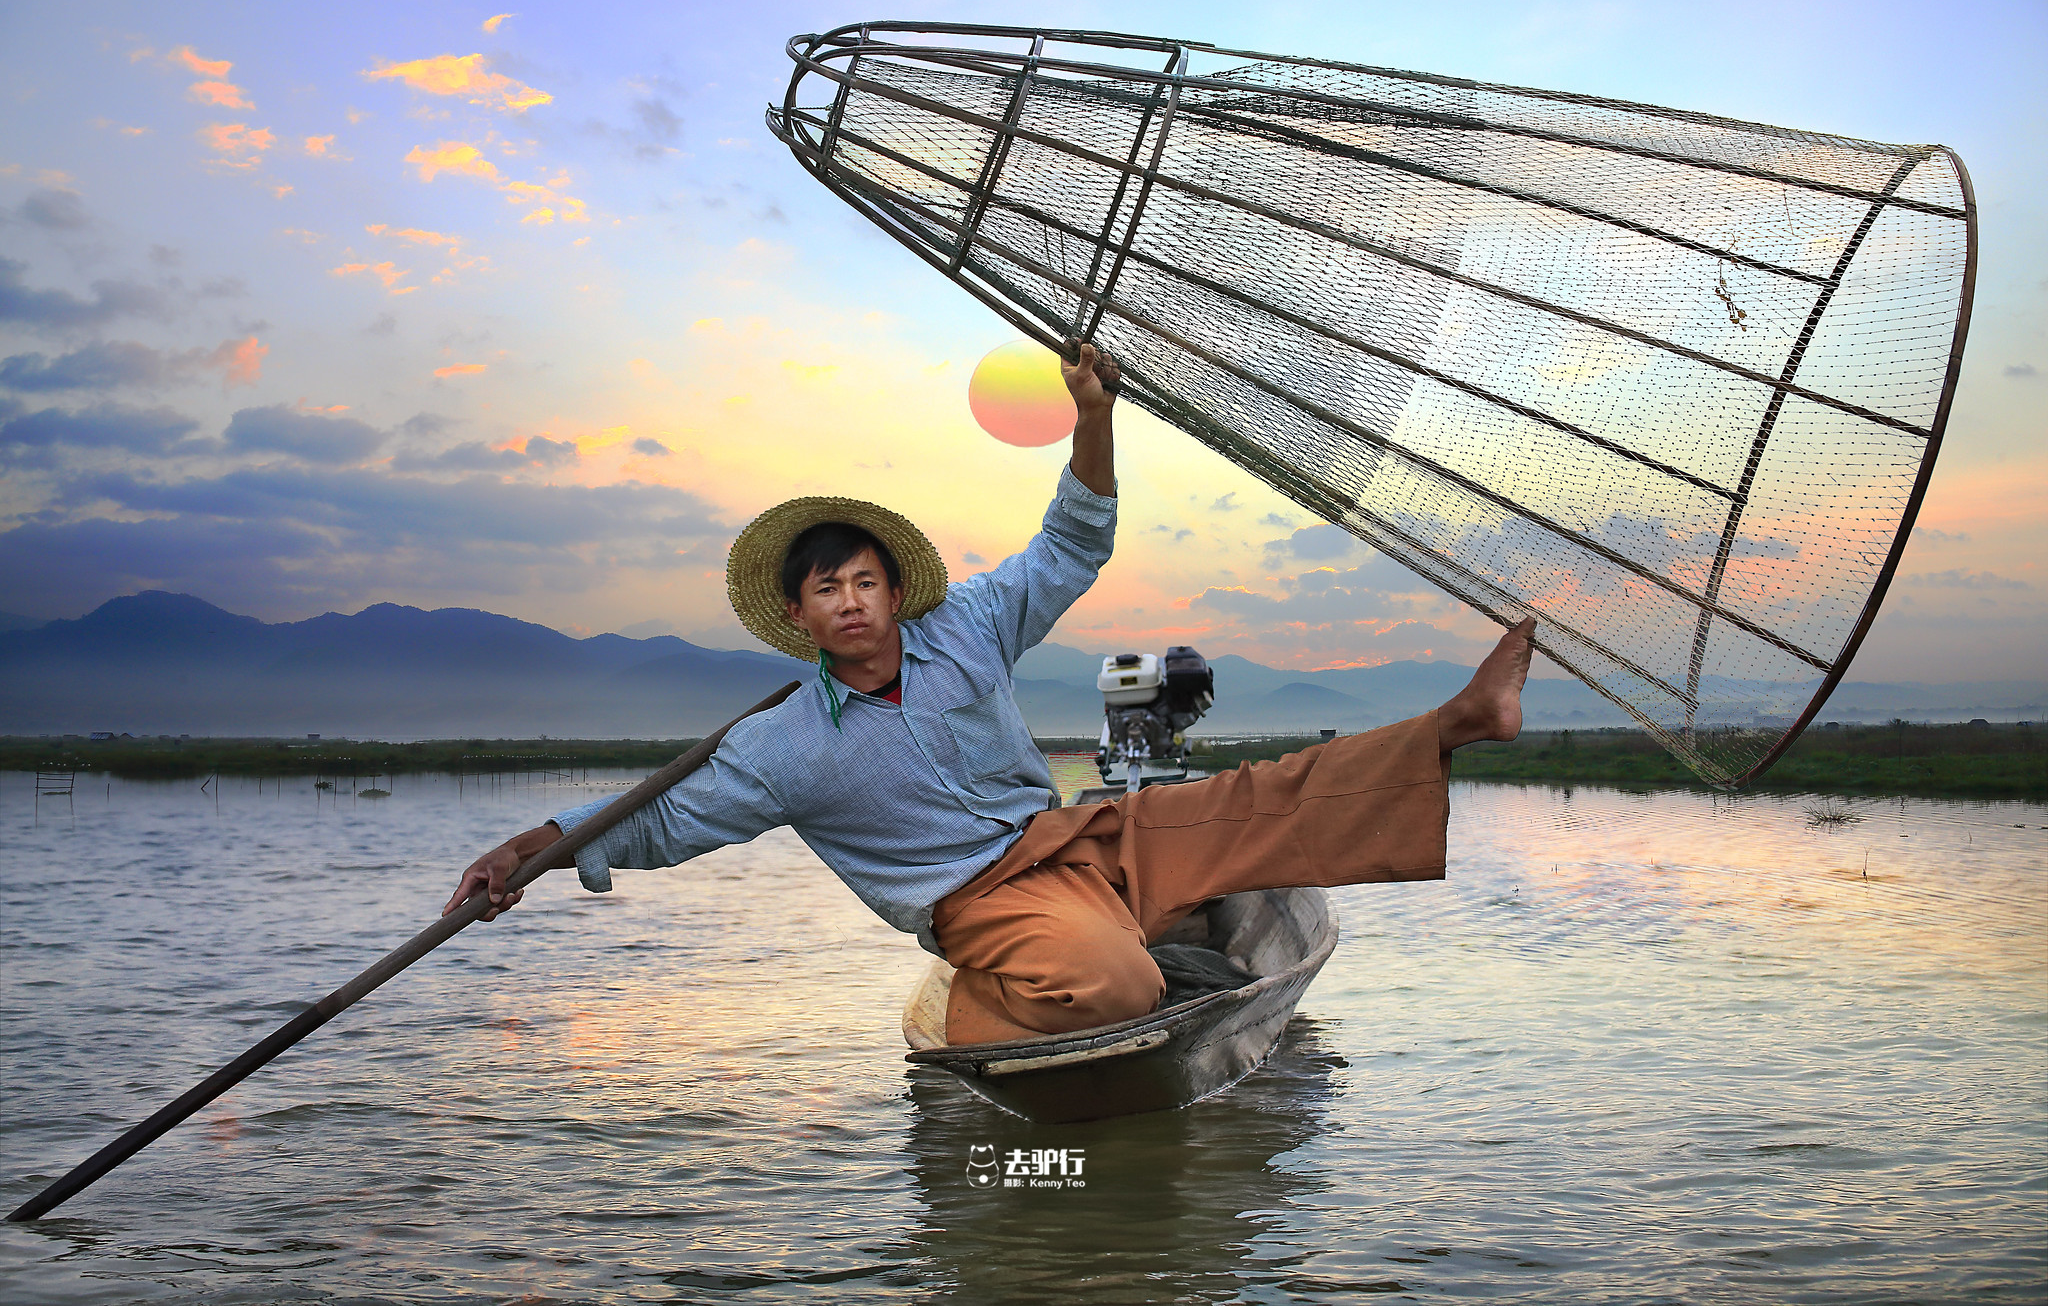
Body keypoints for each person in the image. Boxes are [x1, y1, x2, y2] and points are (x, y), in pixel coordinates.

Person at [444, 342, 1534, 1045]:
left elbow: (1070, 540)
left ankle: (1458, 720)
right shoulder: (782, 747)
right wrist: (526, 853)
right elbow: (660, 819)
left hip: (1076, 835)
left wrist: (1093, 416)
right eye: (830, 590)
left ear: (893, 589)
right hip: (985, 900)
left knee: (1264, 803)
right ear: (802, 620)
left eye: (867, 580)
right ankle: (977, 1014)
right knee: (1116, 990)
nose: (856, 602)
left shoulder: (962, 625)